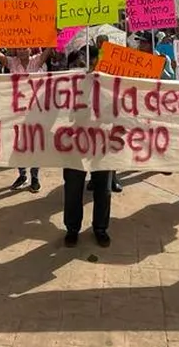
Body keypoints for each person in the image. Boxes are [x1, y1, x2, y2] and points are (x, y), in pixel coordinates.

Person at [64, 54, 113, 248]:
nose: (91, 69)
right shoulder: (70, 86)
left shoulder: (111, 87)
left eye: (93, 64)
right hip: (76, 144)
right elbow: (59, 113)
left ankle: (100, 228)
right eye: (82, 64)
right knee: (73, 188)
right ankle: (72, 229)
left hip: (102, 144)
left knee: (104, 190)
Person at [0, 47, 50, 192]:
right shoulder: (12, 62)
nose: (22, 51)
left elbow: (48, 50)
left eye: (25, 48)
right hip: (16, 111)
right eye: (19, 49)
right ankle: (22, 175)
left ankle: (35, 177)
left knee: (34, 144)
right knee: (18, 145)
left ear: (30, 49)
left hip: (35, 111)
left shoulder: (37, 61)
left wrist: (53, 36)